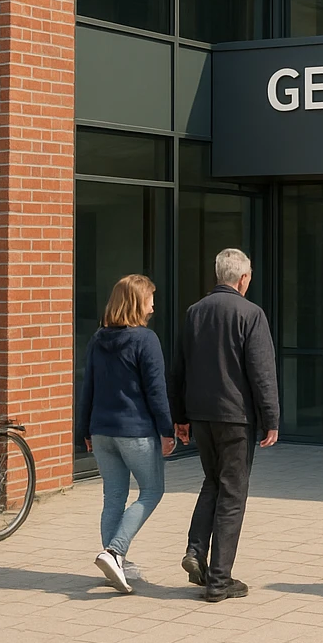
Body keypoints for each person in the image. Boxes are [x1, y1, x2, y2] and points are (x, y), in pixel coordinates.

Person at [169, 248, 279, 603]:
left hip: (200, 415)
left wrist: (180, 416)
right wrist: (271, 418)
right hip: (236, 417)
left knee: (213, 482)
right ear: (243, 278)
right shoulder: (251, 314)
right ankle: (219, 580)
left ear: (219, 275)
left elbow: (179, 369)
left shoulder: (194, 312)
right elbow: (262, 372)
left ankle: (195, 550)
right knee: (233, 492)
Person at [74, 274, 175, 595]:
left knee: (114, 497)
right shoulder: (146, 340)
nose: (153, 305)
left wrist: (83, 431)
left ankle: (114, 563)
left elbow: (86, 387)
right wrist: (167, 430)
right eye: (149, 299)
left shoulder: (97, 339)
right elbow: (156, 391)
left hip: (102, 431)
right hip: (136, 431)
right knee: (152, 491)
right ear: (136, 303)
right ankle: (115, 552)